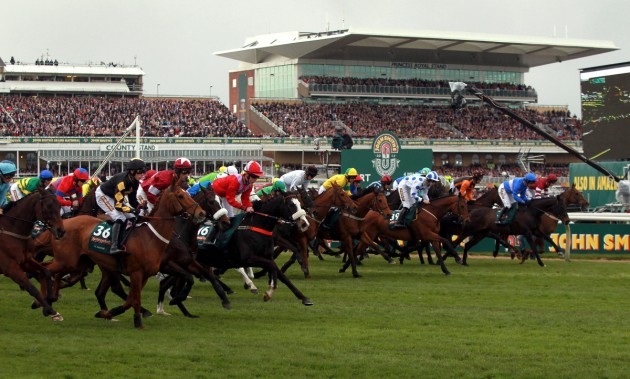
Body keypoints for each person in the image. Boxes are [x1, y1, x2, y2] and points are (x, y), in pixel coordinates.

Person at [204, 160, 262, 246]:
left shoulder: (249, 185)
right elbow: (231, 200)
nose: (255, 179)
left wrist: (250, 207)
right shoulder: (235, 181)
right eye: (254, 176)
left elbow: (245, 198)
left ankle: (224, 238)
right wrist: (245, 208)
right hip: (215, 192)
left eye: (257, 177)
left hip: (224, 195)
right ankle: (209, 239)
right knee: (221, 215)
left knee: (231, 217)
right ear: (246, 174)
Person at [96, 158, 146, 255]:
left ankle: (124, 242)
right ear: (132, 171)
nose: (142, 175)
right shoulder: (122, 183)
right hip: (103, 195)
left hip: (114, 197)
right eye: (140, 173)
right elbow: (118, 206)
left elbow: (132, 200)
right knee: (120, 217)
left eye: (143, 172)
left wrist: (140, 206)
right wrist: (132, 210)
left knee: (132, 217)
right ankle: (113, 246)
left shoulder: (135, 182)